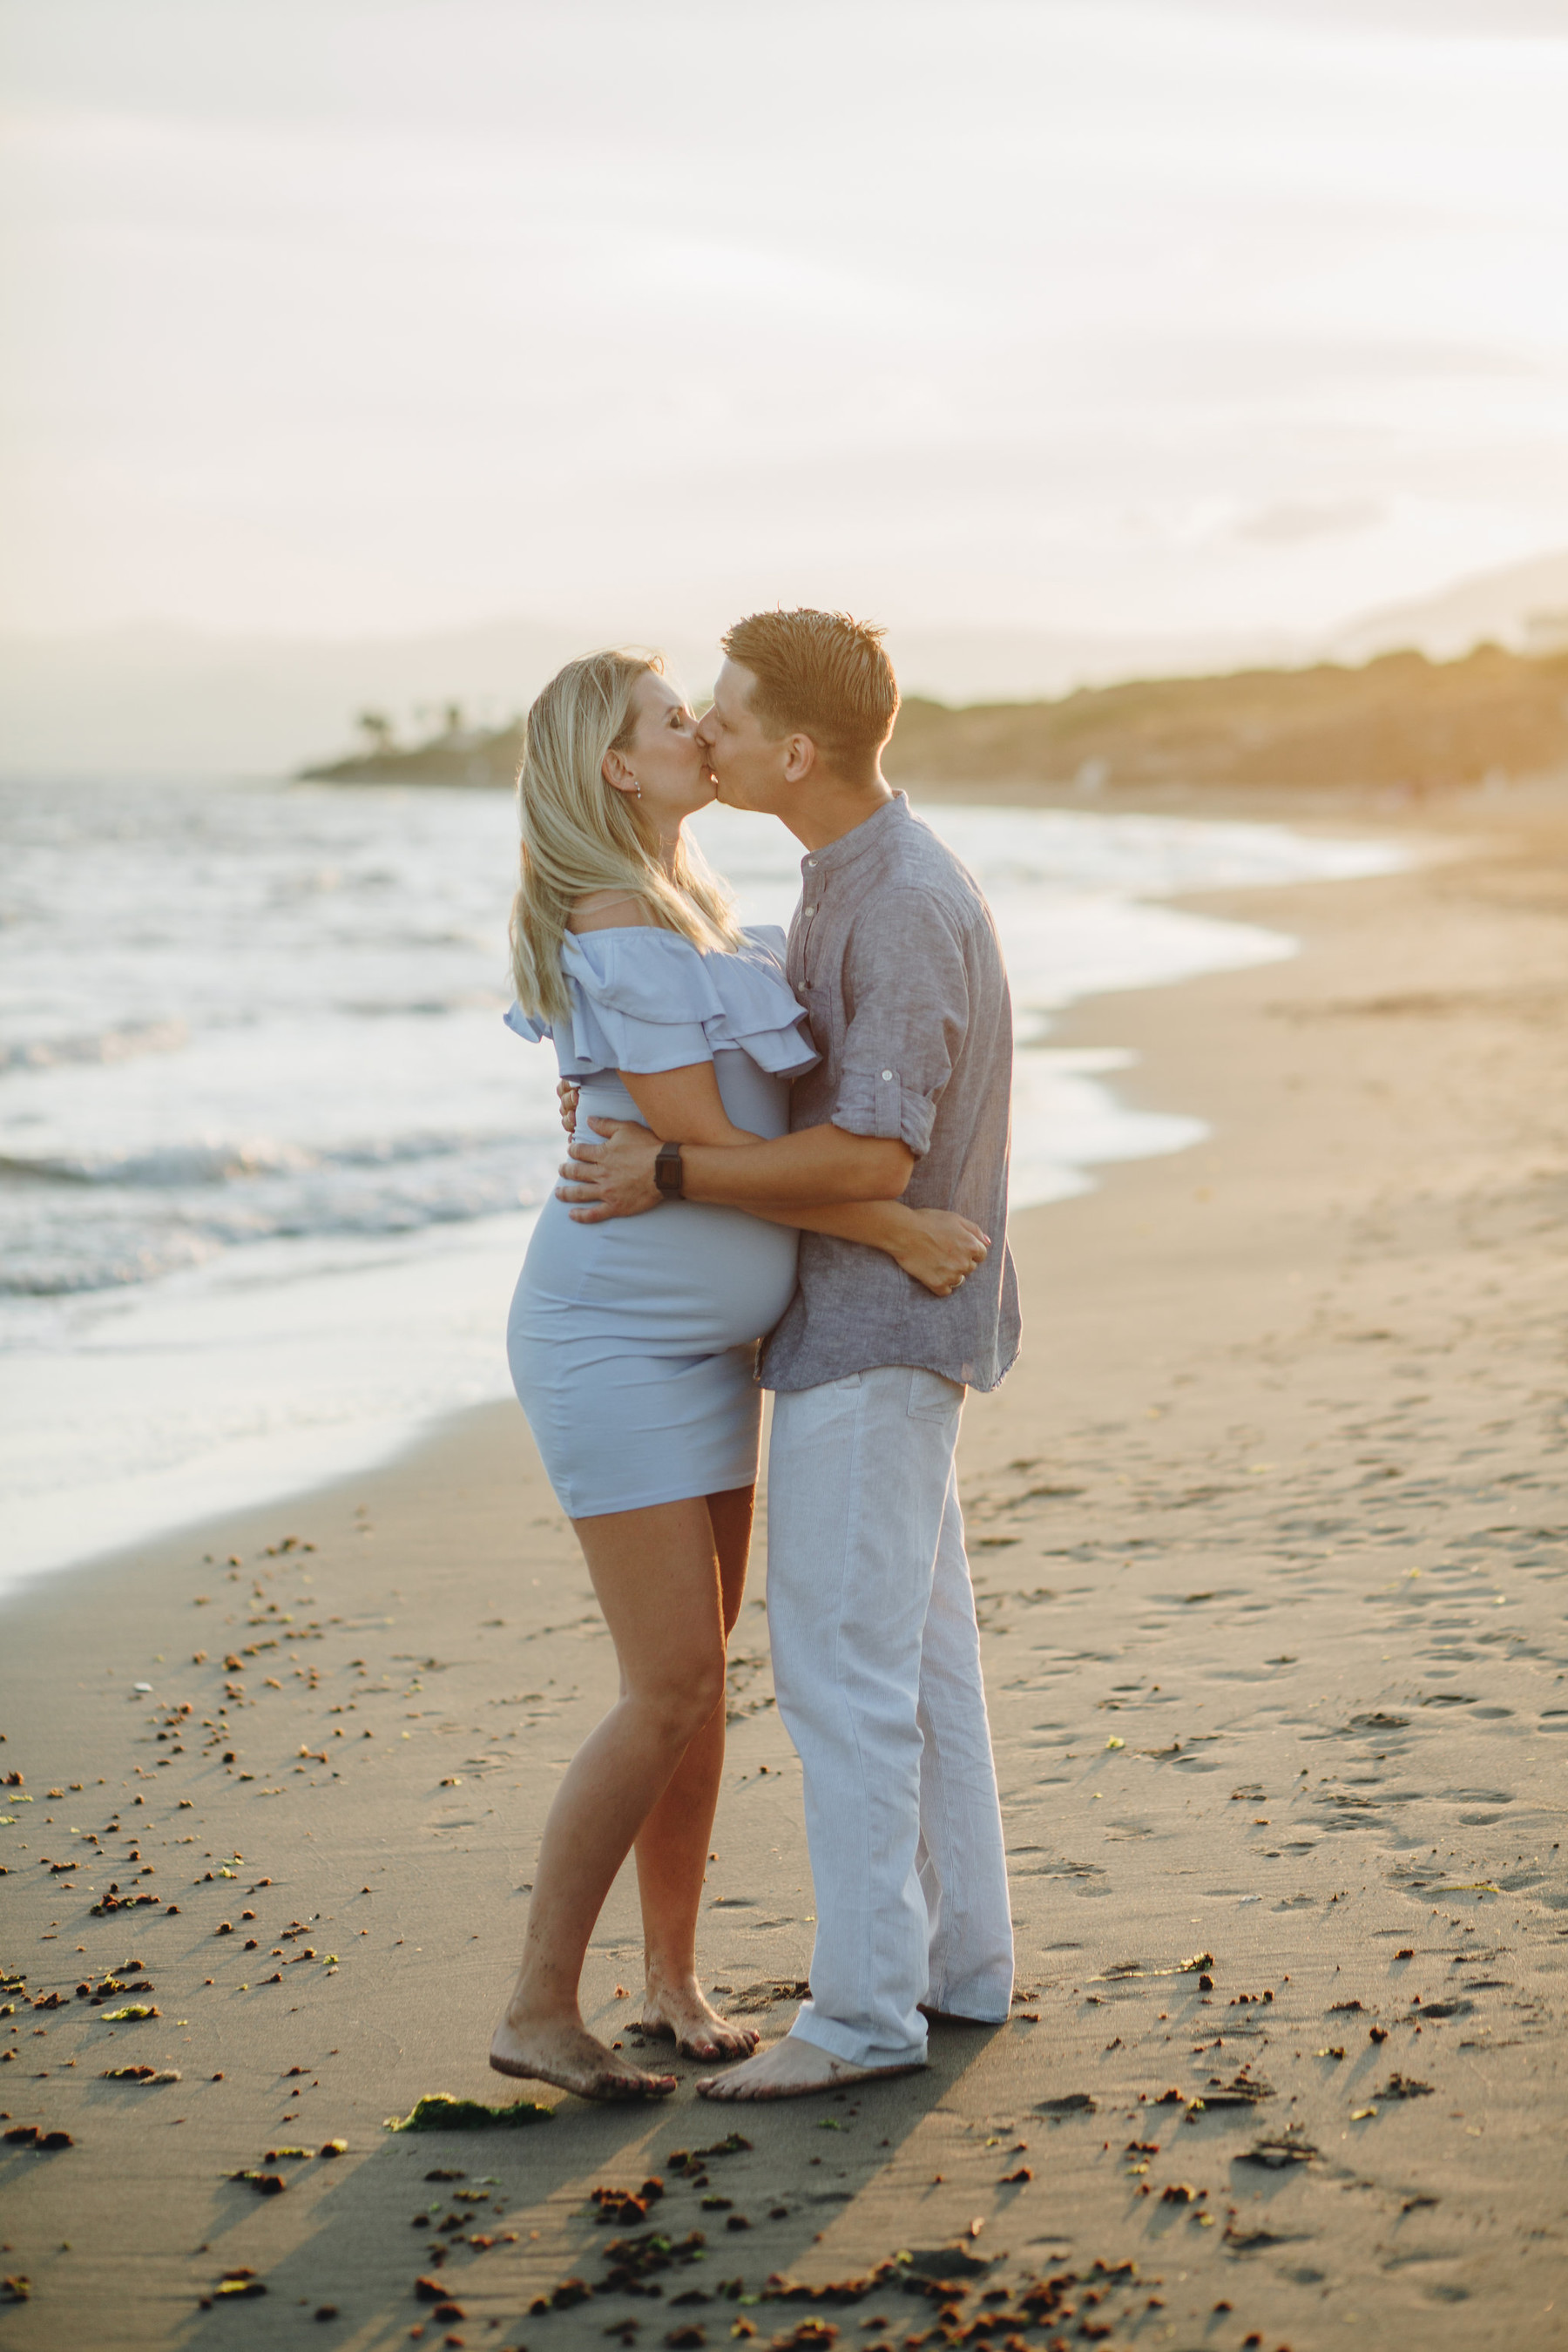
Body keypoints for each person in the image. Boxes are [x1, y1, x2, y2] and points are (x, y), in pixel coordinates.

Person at [491, 647, 991, 2103]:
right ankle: (537, 2005)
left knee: (694, 1688)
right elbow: (693, 1165)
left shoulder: (692, 912)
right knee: (666, 1685)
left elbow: (689, 1163)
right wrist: (888, 1219)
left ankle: (669, 1980)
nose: (699, 732)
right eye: (668, 721)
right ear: (617, 770)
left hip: (706, 1350)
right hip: (616, 1345)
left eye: (700, 713)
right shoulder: (616, 926)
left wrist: (843, 1206)